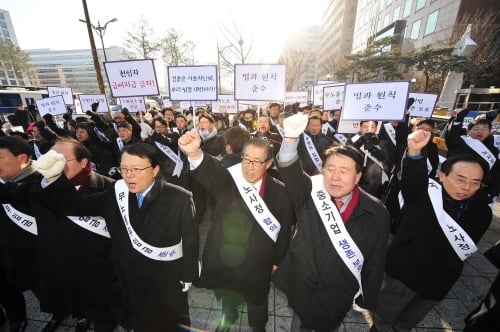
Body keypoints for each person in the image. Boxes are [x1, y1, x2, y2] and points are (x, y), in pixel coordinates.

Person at [33, 143, 199, 331]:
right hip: (125, 279)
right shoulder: (116, 192)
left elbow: (191, 239)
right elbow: (77, 205)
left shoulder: (180, 197)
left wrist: (188, 274)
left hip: (164, 281)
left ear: (155, 170)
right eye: (124, 168)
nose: (128, 175)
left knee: (170, 324)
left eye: (136, 169)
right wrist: (53, 177)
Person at [273, 114, 390, 332]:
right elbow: (290, 172)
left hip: (339, 289)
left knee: (326, 324)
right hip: (303, 280)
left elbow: (376, 258)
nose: (335, 177)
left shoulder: (376, 212)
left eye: (344, 171)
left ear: (357, 177)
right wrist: (289, 140)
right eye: (330, 169)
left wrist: (368, 297)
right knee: (299, 323)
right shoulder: (310, 191)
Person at [370, 130, 492, 332]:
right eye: (460, 179)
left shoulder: (482, 212)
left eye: (475, 182)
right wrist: (414, 152)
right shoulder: (425, 194)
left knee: (405, 325)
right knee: (383, 321)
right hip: (404, 274)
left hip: (440, 281)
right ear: (441, 175)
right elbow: (412, 179)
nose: (467, 187)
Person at [179, 133, 294, 332]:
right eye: (246, 159)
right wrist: (195, 153)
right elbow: (212, 172)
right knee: (227, 296)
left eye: (257, 161)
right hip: (226, 258)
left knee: (257, 302)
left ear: (268, 164)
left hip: (257, 264)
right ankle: (228, 317)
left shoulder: (280, 193)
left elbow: (284, 230)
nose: (249, 166)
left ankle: (258, 326)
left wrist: (278, 259)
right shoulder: (230, 180)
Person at [32, 138, 119, 332]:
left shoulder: (110, 188)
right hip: (64, 269)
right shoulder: (41, 187)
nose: (56, 164)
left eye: (63, 159)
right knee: (78, 305)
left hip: (99, 274)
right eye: (52, 158)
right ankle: (81, 317)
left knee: (102, 317)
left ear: (84, 162)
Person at [0, 136, 41, 332]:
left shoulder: (42, 182)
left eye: (0, 158)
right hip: (10, 256)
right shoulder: (6, 182)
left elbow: (16, 196)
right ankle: (16, 317)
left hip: (39, 259)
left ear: (22, 158)